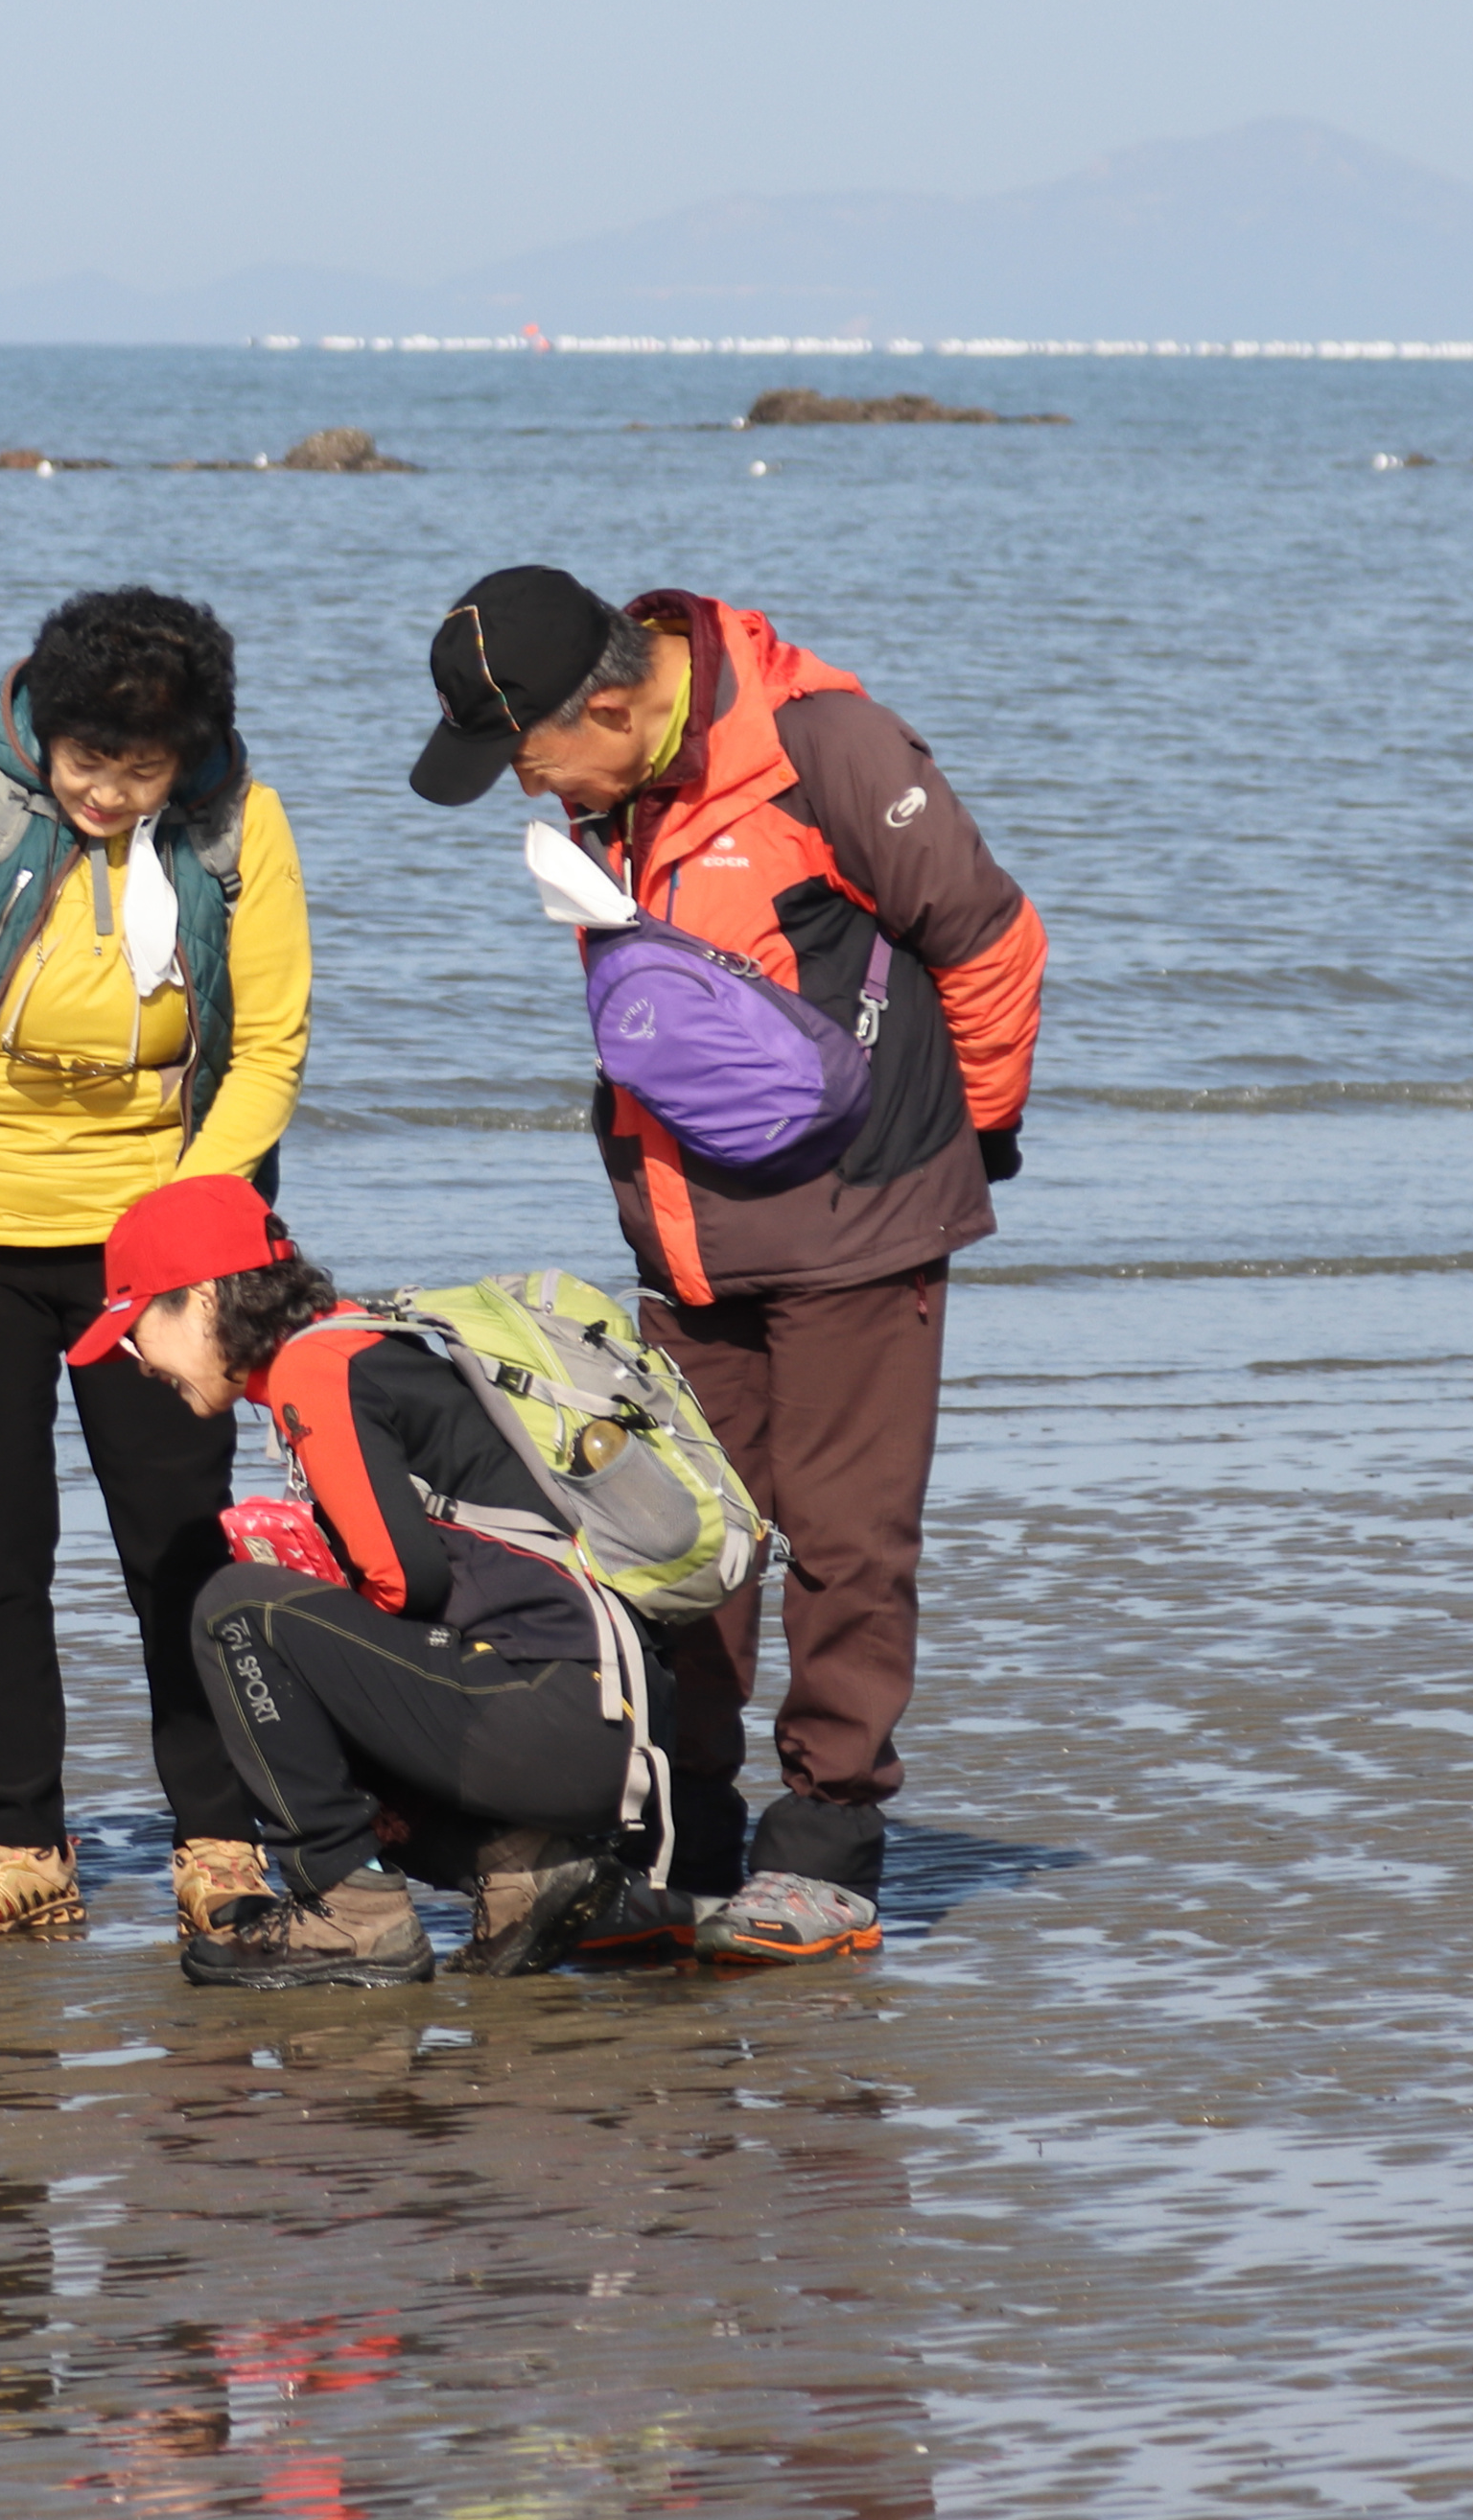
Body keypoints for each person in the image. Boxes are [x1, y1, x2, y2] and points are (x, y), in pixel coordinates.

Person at [407, 568, 1045, 1965]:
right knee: (672, 1534)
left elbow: (992, 938)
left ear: (612, 708)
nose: (527, 788)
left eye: (527, 757)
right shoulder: (616, 793)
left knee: (847, 1542)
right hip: (688, 1240)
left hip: (864, 1221)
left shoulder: (828, 746)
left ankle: (827, 1847)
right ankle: (683, 1835)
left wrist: (970, 1142)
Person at [0, 586, 314, 1942]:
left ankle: (218, 1839)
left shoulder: (241, 824)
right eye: (85, 758)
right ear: (44, 727)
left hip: (156, 1241)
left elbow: (269, 1047)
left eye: (140, 768)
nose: (105, 791)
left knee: (181, 1545)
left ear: (189, 755)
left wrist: (184, 1243)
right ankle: (19, 1845)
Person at [70, 1174, 660, 1989]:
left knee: (234, 1610)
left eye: (135, 1331)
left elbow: (405, 1580)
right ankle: (521, 1868)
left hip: (552, 1716)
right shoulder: (361, 1339)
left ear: (202, 1299)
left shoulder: (318, 1367)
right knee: (296, 1651)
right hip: (600, 1717)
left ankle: (349, 1909)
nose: (135, 1363)